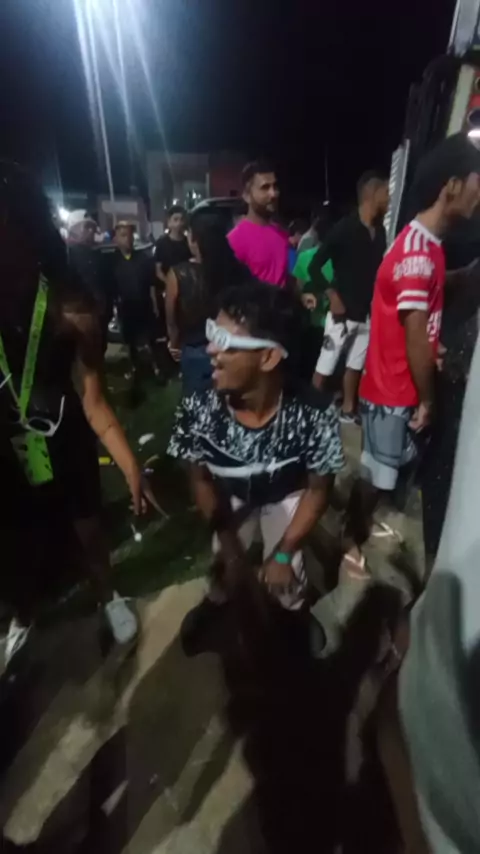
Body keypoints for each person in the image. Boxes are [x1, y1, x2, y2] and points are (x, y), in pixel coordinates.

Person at [0, 164, 153, 664]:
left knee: (88, 528)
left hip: (63, 437)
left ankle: (108, 595)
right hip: (6, 448)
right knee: (15, 541)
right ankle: (21, 614)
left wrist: (129, 464)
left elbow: (93, 399)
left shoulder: (70, 307)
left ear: (22, 225)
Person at [167, 281, 345, 653]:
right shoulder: (197, 409)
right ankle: (217, 600)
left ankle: (294, 613)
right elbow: (200, 480)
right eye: (211, 333)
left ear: (268, 358)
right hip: (230, 495)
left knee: (287, 576)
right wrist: (230, 548)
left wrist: (283, 553)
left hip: (287, 491)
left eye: (224, 341)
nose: (210, 349)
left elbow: (318, 491)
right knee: (224, 564)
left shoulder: (314, 413)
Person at [342, 133, 480, 578]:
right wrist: (427, 399)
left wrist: (467, 275)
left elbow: (430, 304)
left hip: (398, 388)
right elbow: (416, 334)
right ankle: (351, 537)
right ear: (451, 185)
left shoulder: (426, 244)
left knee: (392, 474)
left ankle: (367, 526)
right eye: (477, 181)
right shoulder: (419, 254)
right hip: (394, 394)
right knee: (376, 478)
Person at [311, 172, 389, 423]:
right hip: (341, 315)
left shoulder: (381, 232)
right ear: (372, 194)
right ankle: (310, 412)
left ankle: (348, 410)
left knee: (355, 365)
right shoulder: (344, 228)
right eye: (386, 192)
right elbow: (314, 266)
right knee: (326, 365)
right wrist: (331, 294)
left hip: (366, 313)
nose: (389, 198)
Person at [165, 211, 248, 395]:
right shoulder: (236, 269)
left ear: (194, 240)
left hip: (193, 348)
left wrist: (174, 342)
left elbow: (171, 317)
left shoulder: (178, 274)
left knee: (197, 401)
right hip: (229, 347)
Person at [112, 221, 164, 382]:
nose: (128, 239)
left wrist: (155, 305)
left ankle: (157, 368)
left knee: (150, 339)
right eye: (123, 235)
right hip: (126, 308)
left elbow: (151, 284)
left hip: (144, 306)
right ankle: (134, 368)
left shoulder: (143, 259)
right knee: (130, 341)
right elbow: (111, 287)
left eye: (130, 235)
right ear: (116, 238)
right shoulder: (112, 261)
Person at [228, 161, 289, 287]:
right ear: (247, 196)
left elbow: (287, 275)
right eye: (265, 188)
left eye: (275, 186)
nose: (273, 194)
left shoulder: (282, 233)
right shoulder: (235, 241)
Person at [67, 210, 114, 352]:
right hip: (79, 314)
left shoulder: (98, 254)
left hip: (99, 314)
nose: (91, 231)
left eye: (92, 227)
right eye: (86, 227)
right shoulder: (66, 254)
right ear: (73, 230)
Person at [154, 204, 191, 286]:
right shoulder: (161, 243)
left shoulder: (188, 242)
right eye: (175, 219)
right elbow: (158, 271)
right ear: (169, 222)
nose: (179, 223)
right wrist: (170, 283)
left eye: (182, 219)